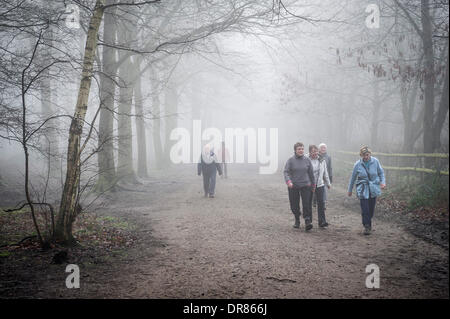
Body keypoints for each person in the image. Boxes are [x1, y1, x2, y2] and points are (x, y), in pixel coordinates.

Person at [347, 146, 386, 235]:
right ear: (361, 155)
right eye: (364, 155)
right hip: (363, 188)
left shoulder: (375, 161)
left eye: (367, 155)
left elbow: (381, 173)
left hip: (373, 187)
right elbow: (353, 178)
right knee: (365, 208)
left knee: (371, 208)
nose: (366, 157)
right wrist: (350, 190)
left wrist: (383, 183)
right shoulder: (357, 164)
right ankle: (367, 226)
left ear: (370, 154)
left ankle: (368, 220)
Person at [283, 142, 316, 231]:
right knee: (294, 204)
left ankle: (307, 221)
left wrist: (313, 185)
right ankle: (297, 219)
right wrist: (288, 181)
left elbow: (311, 173)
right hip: (293, 185)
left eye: (302, 149)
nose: (301, 150)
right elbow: (286, 172)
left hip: (306, 185)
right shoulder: (290, 160)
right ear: (295, 150)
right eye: (299, 149)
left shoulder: (307, 160)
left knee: (306, 204)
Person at [308, 145, 331, 228]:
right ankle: (309, 222)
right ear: (310, 152)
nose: (315, 153)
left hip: (320, 184)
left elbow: (325, 172)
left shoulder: (322, 160)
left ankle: (322, 221)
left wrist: (328, 183)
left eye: (316, 151)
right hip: (309, 184)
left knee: (321, 203)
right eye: (313, 151)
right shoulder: (306, 160)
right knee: (308, 203)